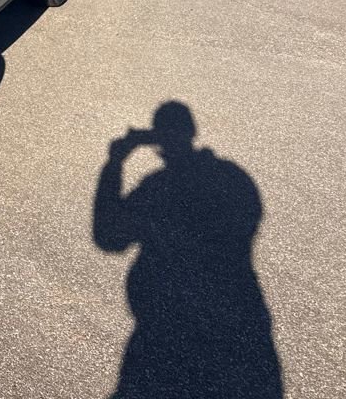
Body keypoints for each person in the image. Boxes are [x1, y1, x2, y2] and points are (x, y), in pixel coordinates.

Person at [93, 101, 282, 399]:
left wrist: (115, 163)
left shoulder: (160, 188)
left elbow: (109, 237)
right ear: (192, 131)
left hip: (168, 332)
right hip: (243, 318)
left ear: (155, 139)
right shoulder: (235, 179)